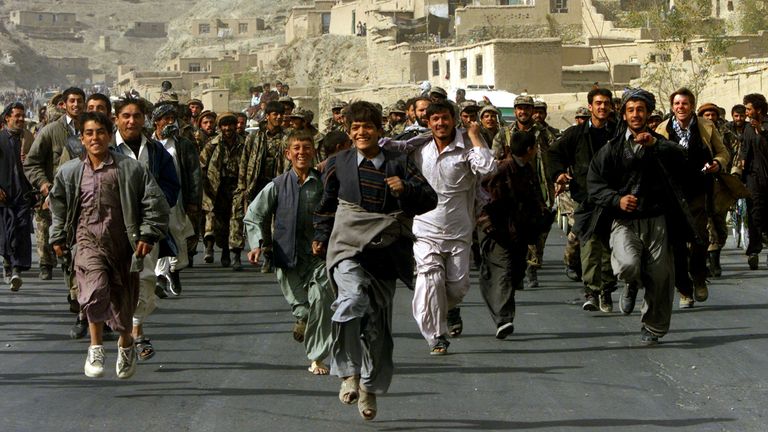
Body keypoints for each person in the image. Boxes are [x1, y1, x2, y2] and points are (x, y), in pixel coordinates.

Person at [313, 101, 437, 421]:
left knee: (377, 327)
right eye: (355, 128)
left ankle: (368, 386)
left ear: (379, 131)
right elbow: (326, 206)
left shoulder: (398, 162)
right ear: (349, 133)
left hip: (385, 249)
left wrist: (405, 188)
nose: (361, 132)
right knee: (350, 300)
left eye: (367, 127)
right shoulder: (337, 163)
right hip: (347, 246)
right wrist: (320, 236)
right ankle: (347, 373)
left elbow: (429, 199)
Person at [49, 111, 169, 378]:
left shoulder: (131, 169)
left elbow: (155, 204)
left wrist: (148, 235)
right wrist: (57, 236)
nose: (95, 138)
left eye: (100, 132)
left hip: (124, 245)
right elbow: (57, 207)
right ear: (81, 138)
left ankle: (126, 345)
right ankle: (95, 347)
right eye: (89, 133)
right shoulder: (70, 172)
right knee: (94, 290)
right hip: (87, 242)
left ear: (108, 134)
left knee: (124, 300)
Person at [386, 100, 496, 355]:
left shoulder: (467, 147)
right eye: (435, 119)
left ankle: (444, 311)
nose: (440, 123)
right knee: (429, 279)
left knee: (457, 288)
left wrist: (475, 135)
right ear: (428, 122)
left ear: (453, 119)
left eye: (445, 118)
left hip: (459, 231)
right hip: (425, 229)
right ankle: (436, 335)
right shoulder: (418, 148)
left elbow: (488, 168)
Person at [587, 88, 692, 343]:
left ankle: (653, 327)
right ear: (623, 115)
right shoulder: (610, 150)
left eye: (640, 110)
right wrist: (617, 199)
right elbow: (594, 184)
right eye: (631, 110)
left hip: (657, 220)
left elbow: (683, 161)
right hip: (624, 221)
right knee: (626, 265)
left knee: (660, 277)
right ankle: (631, 284)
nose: (636, 115)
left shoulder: (662, 144)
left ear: (648, 114)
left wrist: (657, 145)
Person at [245, 130, 334, 375]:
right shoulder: (277, 185)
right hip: (287, 258)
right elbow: (254, 215)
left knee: (322, 302)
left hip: (319, 256)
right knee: (304, 309)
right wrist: (257, 244)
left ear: (314, 152)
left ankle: (316, 357)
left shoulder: (326, 183)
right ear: (288, 153)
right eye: (297, 148)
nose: (302, 152)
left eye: (306, 148)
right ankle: (303, 320)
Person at [112, 96, 180, 361]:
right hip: (113, 226)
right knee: (114, 281)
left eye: (137, 116)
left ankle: (136, 331)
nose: (131, 121)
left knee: (146, 279)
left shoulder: (155, 152)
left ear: (145, 119)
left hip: (145, 228)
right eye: (126, 116)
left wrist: (153, 207)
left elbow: (171, 186)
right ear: (117, 118)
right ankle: (121, 331)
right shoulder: (105, 147)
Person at [654, 88, 729, 308]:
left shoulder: (706, 127)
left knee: (699, 238)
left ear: (692, 106)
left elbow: (723, 152)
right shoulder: (662, 129)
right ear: (672, 107)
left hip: (698, 190)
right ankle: (684, 289)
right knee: (676, 244)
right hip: (672, 193)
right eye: (677, 104)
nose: (680, 108)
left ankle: (698, 276)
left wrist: (717, 163)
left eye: (685, 104)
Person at [548, 88, 618, 312]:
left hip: (612, 197)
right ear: (590, 107)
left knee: (610, 246)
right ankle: (592, 290)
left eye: (606, 103)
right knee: (589, 244)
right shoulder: (576, 134)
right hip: (585, 198)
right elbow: (554, 153)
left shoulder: (618, 133)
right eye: (598, 103)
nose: (602, 107)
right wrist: (558, 173)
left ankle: (607, 289)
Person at [24, 87, 87, 335]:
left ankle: (88, 311)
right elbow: (31, 162)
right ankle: (77, 298)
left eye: (80, 101)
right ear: (63, 105)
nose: (76, 105)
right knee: (68, 254)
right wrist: (43, 184)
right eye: (72, 101)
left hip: (91, 200)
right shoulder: (51, 131)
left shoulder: (93, 129)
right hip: (60, 203)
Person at [477, 130, 548, 339]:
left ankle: (501, 307)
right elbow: (482, 196)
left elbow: (535, 197)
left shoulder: (527, 170)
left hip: (517, 232)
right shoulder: (502, 169)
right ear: (530, 149)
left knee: (516, 271)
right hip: (496, 230)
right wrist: (485, 222)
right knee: (503, 270)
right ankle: (503, 318)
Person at [493, 95, 556, 289]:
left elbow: (555, 153)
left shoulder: (544, 133)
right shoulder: (504, 133)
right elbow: (494, 159)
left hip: (540, 186)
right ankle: (519, 267)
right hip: (513, 188)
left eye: (527, 108)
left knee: (540, 228)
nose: (523, 112)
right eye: (519, 108)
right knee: (515, 229)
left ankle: (532, 266)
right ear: (515, 111)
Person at [150, 103, 201, 297]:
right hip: (155, 199)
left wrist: (194, 201)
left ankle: (173, 271)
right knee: (158, 234)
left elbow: (194, 173)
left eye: (173, 118)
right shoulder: (148, 144)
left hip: (177, 199)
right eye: (167, 118)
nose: (171, 122)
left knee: (176, 233)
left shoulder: (183, 145)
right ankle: (160, 276)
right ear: (156, 122)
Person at [231, 101, 287, 273]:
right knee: (259, 220)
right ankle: (259, 253)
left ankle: (272, 255)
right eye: (275, 114)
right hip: (257, 184)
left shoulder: (287, 138)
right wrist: (242, 186)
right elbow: (244, 162)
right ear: (267, 116)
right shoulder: (255, 137)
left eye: (281, 114)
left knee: (276, 222)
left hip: (279, 184)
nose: (278, 117)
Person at [200, 113, 246, 270]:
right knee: (220, 224)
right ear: (220, 128)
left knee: (236, 220)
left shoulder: (244, 144)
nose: (228, 128)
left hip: (237, 187)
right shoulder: (212, 145)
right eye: (224, 125)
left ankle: (236, 255)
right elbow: (202, 166)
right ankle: (224, 251)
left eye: (230, 125)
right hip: (217, 188)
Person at [0, 102, 33, 291]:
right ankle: (9, 264)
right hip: (4, 197)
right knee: (7, 233)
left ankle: (16, 270)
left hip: (22, 195)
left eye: (22, 116)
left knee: (21, 231)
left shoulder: (28, 139)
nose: (20, 119)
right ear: (7, 118)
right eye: (17, 116)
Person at [739, 93, 768, 270]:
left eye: (749, 109)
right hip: (753, 178)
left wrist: (761, 132)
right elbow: (744, 150)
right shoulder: (748, 128)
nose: (747, 112)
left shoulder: (765, 126)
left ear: (758, 109)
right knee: (754, 213)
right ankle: (754, 251)